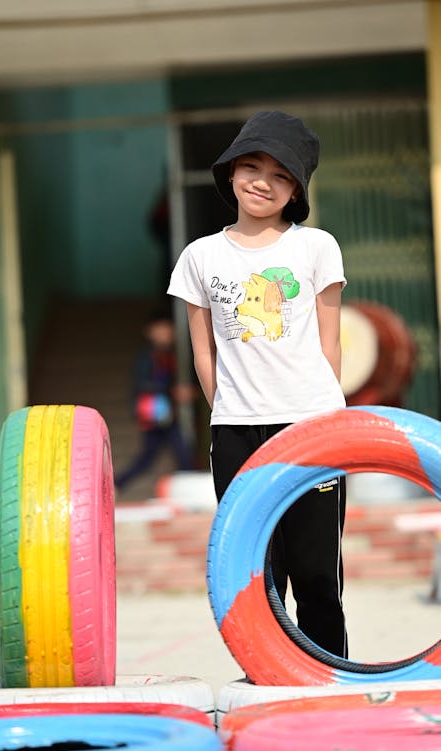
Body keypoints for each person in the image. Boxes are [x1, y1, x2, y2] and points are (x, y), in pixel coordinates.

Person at [167, 110, 348, 658]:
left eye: (280, 174)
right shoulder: (201, 256)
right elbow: (203, 350)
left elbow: (331, 341)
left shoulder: (316, 247)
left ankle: (327, 674)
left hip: (311, 424)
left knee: (317, 570)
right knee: (257, 571)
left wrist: (325, 419)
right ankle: (267, 674)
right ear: (229, 174)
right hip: (238, 432)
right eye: (251, 166)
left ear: (296, 190)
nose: (262, 182)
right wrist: (226, 410)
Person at [115, 310, 194, 493]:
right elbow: (142, 384)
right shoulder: (147, 357)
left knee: (172, 455)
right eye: (161, 330)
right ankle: (117, 484)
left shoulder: (170, 355)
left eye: (168, 330)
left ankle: (118, 484)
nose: (165, 334)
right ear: (150, 332)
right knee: (162, 456)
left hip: (165, 414)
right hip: (155, 415)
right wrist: (173, 392)